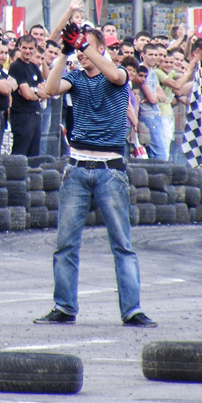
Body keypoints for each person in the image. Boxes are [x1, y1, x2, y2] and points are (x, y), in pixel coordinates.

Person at [34, 21, 157, 328]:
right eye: (79, 46)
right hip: (77, 168)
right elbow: (50, 89)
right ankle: (64, 307)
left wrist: (82, 45)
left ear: (100, 49)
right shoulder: (75, 77)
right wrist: (64, 52)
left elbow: (114, 75)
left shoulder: (120, 74)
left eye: (86, 46)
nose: (82, 52)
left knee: (122, 245)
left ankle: (132, 310)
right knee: (65, 244)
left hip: (109, 170)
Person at [7, 34, 44, 156]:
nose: (27, 51)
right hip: (22, 116)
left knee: (34, 155)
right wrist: (37, 93)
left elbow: (46, 92)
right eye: (24, 48)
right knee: (20, 153)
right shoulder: (16, 66)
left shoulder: (34, 67)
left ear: (35, 48)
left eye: (30, 48)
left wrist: (35, 92)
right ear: (19, 47)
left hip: (35, 115)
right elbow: (27, 94)